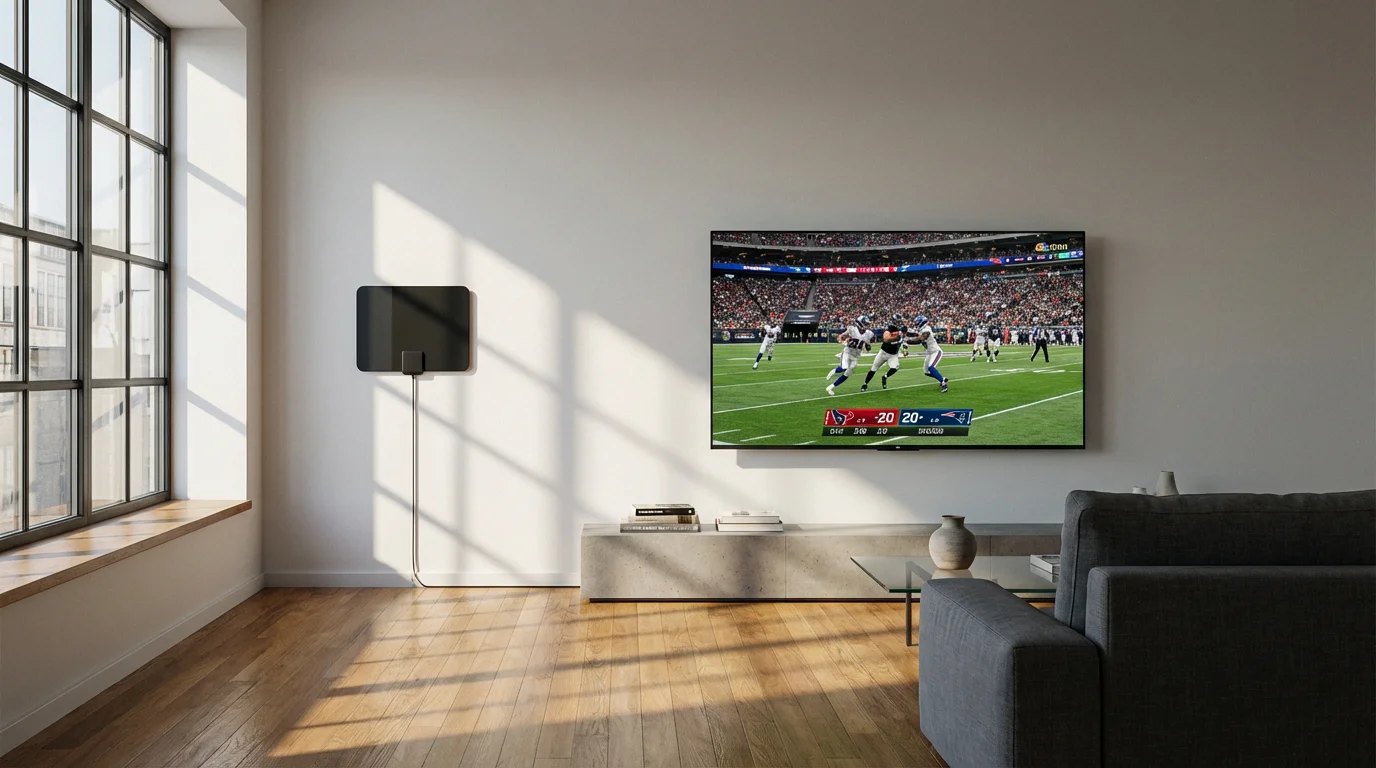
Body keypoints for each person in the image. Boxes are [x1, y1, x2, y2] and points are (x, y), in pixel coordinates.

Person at [826, 315, 874, 395]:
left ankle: (830, 387)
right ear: (860, 323)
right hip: (847, 353)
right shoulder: (852, 329)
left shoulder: (868, 333)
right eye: (866, 323)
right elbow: (843, 334)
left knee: (848, 373)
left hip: (855, 356)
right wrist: (841, 337)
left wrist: (868, 347)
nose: (867, 325)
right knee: (843, 368)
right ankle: (834, 371)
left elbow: (868, 346)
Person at [861, 314, 906, 391]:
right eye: (898, 321)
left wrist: (904, 350)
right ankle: (865, 384)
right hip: (883, 353)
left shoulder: (901, 331)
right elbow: (886, 339)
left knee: (895, 367)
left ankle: (885, 377)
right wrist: (896, 337)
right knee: (873, 369)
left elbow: (903, 342)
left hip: (893, 355)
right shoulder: (889, 330)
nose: (899, 323)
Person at [911, 314, 948, 393]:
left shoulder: (927, 329)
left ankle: (943, 383)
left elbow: (920, 339)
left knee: (931, 367)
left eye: (917, 323)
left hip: (936, 351)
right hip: (929, 353)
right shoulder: (921, 330)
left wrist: (908, 341)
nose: (916, 324)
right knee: (926, 372)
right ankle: (942, 378)